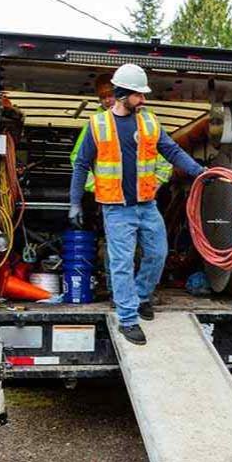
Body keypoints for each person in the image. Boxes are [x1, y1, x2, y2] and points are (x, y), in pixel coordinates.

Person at [69, 63, 205, 345]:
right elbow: (81, 164)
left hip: (146, 205)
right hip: (116, 208)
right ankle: (128, 319)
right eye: (138, 95)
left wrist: (199, 172)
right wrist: (75, 204)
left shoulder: (149, 121)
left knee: (158, 253)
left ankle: (142, 296)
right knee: (121, 263)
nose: (143, 100)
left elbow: (171, 150)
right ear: (122, 94)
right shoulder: (98, 125)